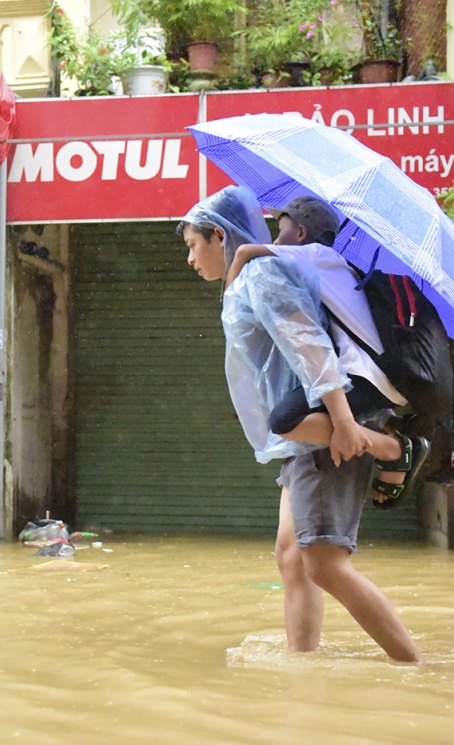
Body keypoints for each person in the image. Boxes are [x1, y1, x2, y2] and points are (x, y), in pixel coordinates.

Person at [178, 187, 423, 662]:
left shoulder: (262, 275)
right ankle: (302, 667)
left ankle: (415, 667)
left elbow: (309, 345)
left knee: (325, 565)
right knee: (292, 561)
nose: (190, 258)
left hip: (324, 428)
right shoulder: (248, 276)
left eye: (192, 245)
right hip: (302, 440)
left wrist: (345, 422)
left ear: (217, 234)